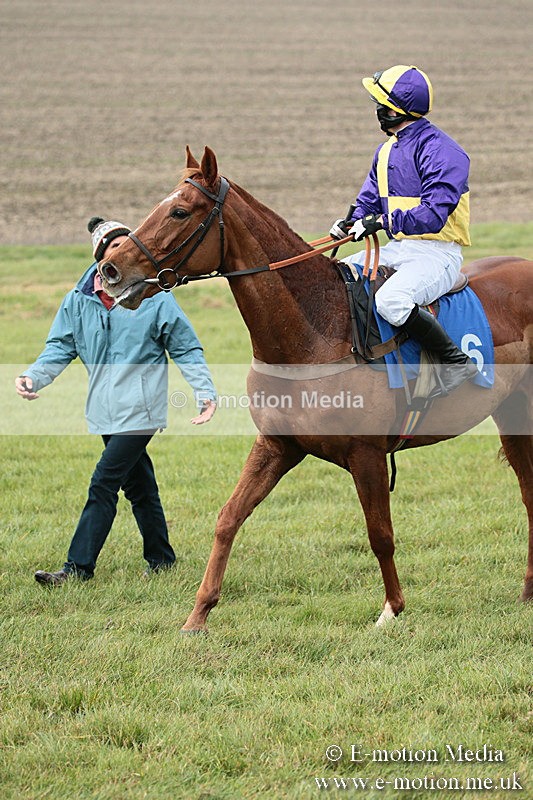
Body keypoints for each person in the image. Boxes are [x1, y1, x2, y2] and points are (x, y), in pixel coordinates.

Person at [16, 216, 217, 585]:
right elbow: (60, 346)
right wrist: (34, 376)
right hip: (104, 411)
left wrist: (204, 391)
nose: (123, 250)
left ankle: (77, 569)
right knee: (140, 487)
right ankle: (162, 559)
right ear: (101, 259)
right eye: (114, 246)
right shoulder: (78, 300)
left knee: (103, 483)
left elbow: (185, 346)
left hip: (142, 408)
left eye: (128, 244)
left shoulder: (153, 297)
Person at [330, 64, 478, 394]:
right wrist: (350, 223)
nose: (377, 110)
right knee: (338, 278)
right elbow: (369, 201)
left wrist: (382, 222)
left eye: (380, 104)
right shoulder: (386, 151)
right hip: (400, 248)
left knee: (391, 301)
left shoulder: (444, 152)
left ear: (396, 110)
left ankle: (456, 362)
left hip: (437, 253)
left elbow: (433, 215)